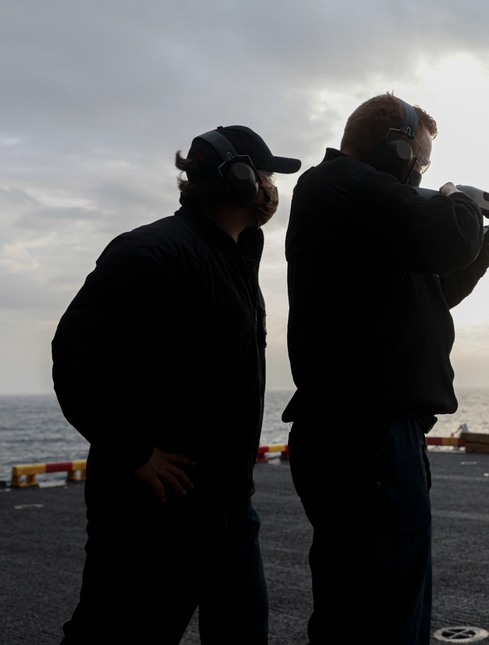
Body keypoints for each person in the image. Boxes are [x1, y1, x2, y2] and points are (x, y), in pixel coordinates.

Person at [282, 93, 489, 643]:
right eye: (420, 160)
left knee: (376, 604)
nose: (422, 171)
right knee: (382, 613)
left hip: (375, 434)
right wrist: (459, 200)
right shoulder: (340, 184)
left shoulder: (372, 213)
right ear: (396, 149)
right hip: (365, 433)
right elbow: (447, 234)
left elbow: (437, 290)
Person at [52, 126, 301, 645]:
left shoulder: (236, 252)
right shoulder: (153, 252)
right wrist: (135, 452)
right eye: (266, 176)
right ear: (236, 181)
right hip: (156, 511)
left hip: (230, 506)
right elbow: (77, 354)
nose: (272, 188)